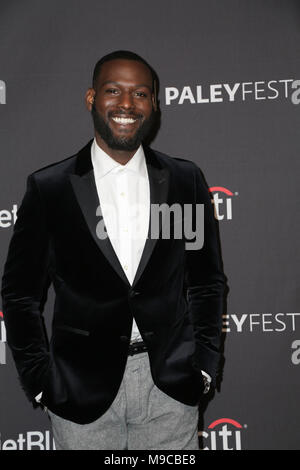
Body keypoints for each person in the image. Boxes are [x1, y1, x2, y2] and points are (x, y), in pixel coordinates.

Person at [1, 50, 227, 450]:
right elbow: (20, 294)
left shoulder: (184, 182)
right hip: (80, 391)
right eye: (113, 91)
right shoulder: (50, 189)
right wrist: (39, 379)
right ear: (91, 98)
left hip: (170, 389)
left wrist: (205, 365)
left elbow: (207, 282)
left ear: (154, 104)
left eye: (140, 93)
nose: (126, 104)